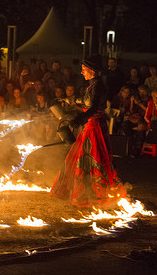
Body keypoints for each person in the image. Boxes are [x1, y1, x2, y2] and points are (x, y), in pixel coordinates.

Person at [49, 59, 127, 209]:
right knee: (85, 157)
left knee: (94, 157)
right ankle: (86, 191)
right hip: (90, 124)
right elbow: (87, 102)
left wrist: (78, 120)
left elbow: (93, 108)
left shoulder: (97, 87)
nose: (81, 71)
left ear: (92, 70)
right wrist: (70, 101)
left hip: (94, 125)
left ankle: (96, 193)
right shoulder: (92, 86)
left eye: (84, 69)